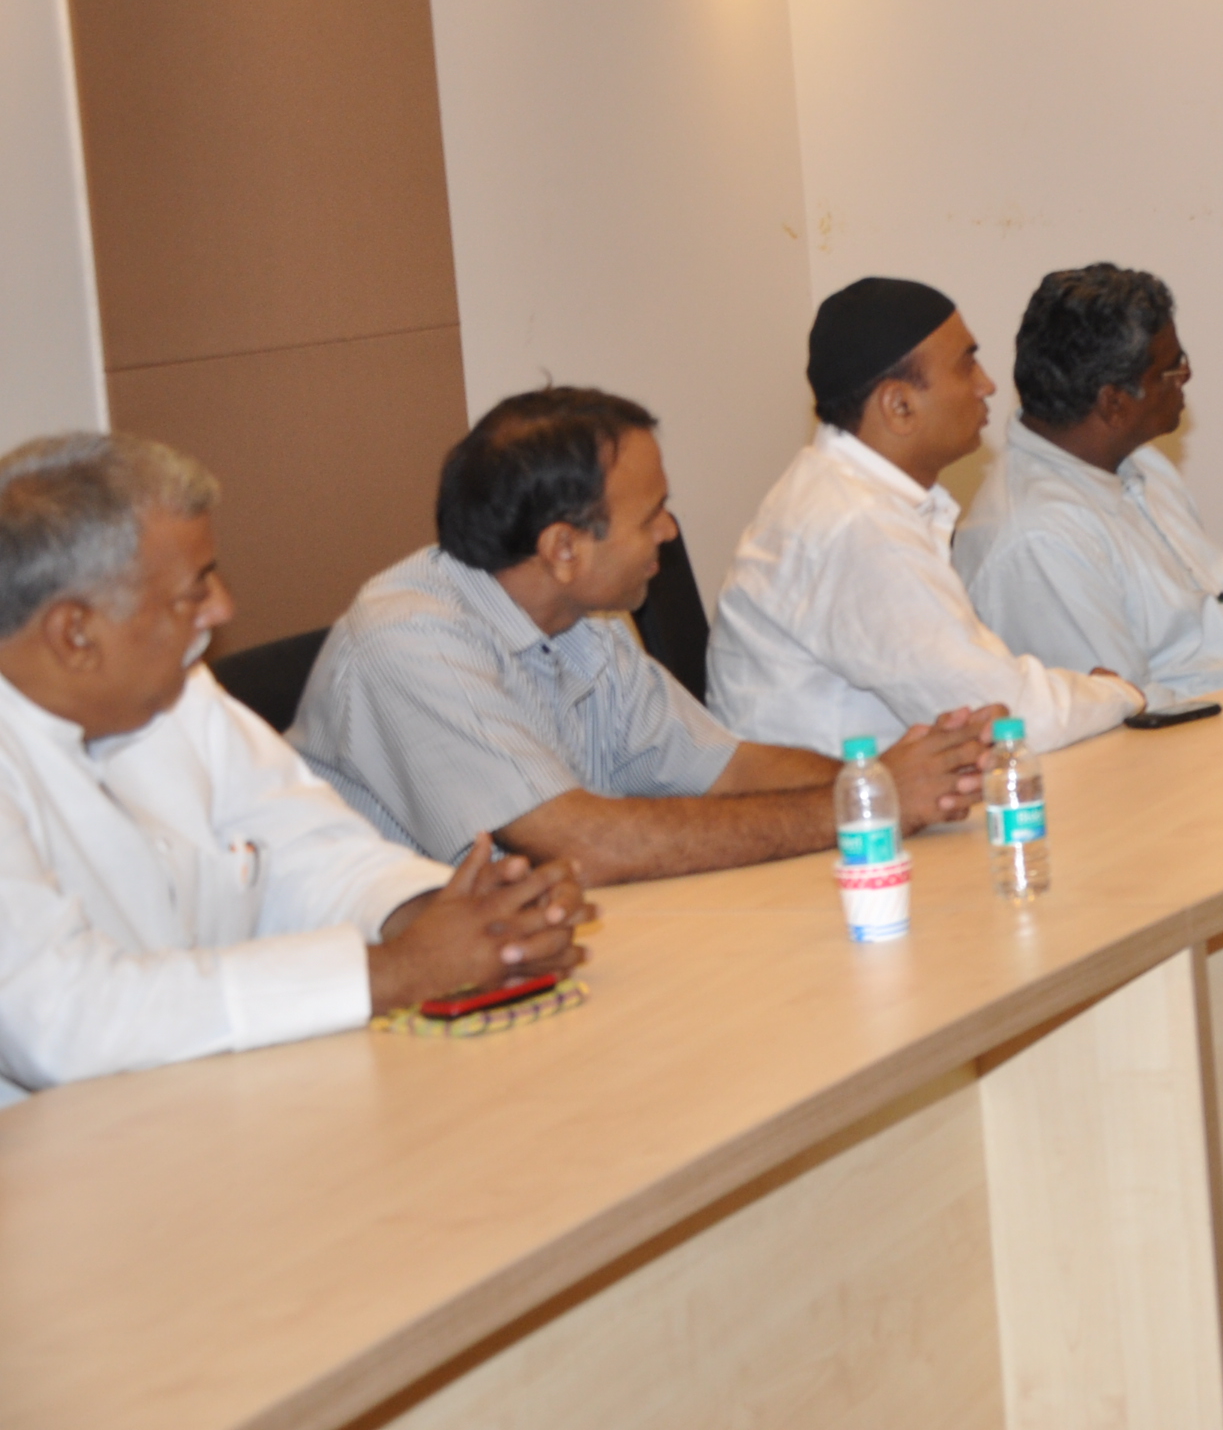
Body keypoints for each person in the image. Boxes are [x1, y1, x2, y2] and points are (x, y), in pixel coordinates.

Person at [0, 433, 589, 1105]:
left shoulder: (178, 694)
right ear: (74, 632)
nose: (223, 609)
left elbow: (307, 849)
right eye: (192, 593)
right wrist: (396, 971)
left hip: (214, 1116)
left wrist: (464, 917)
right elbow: (64, 1020)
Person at [294, 389, 989, 885]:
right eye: (651, 513)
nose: (670, 531)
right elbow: (582, 846)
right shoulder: (408, 641)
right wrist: (869, 803)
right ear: (564, 548)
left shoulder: (583, 621)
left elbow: (727, 768)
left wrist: (885, 781)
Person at [712, 277, 1145, 755]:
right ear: (899, 406)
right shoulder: (857, 527)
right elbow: (1000, 720)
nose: (987, 385)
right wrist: (1118, 694)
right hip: (842, 820)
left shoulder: (842, 495)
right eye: (967, 366)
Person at [959, 267, 1223, 702]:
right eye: (1171, 369)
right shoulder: (1037, 538)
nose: (1187, 376)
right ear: (1115, 403)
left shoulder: (1139, 461)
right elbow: (1124, 718)